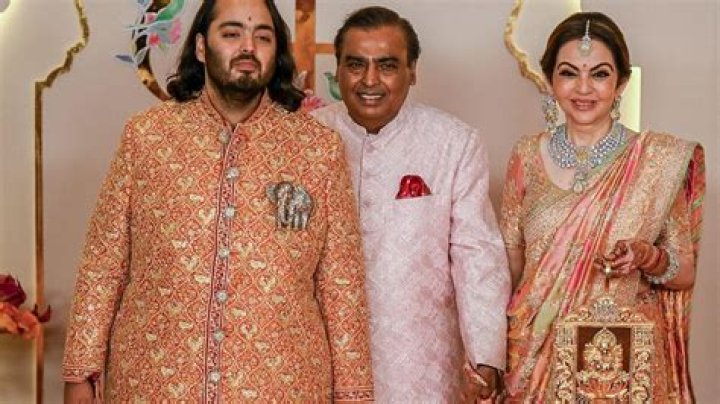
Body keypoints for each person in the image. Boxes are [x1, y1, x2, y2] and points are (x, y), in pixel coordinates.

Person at [62, 0, 374, 401]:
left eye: (263, 37)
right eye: (231, 33)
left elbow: (342, 286)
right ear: (200, 47)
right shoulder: (147, 137)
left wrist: (354, 395)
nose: (248, 47)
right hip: (156, 383)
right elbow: (104, 262)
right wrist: (80, 371)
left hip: (282, 386)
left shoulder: (318, 150)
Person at [500, 11, 705, 402]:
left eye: (599, 74)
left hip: (623, 363)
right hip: (537, 353)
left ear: (621, 83)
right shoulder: (526, 154)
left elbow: (684, 272)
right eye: (568, 73)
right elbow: (509, 266)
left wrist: (648, 257)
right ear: (549, 79)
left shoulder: (655, 160)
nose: (584, 88)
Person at [312, 6, 510, 402]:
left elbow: (476, 255)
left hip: (423, 364)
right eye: (356, 64)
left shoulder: (453, 143)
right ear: (338, 70)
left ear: (412, 71)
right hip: (321, 354)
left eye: (387, 66)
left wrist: (485, 355)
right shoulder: (307, 137)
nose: (370, 80)